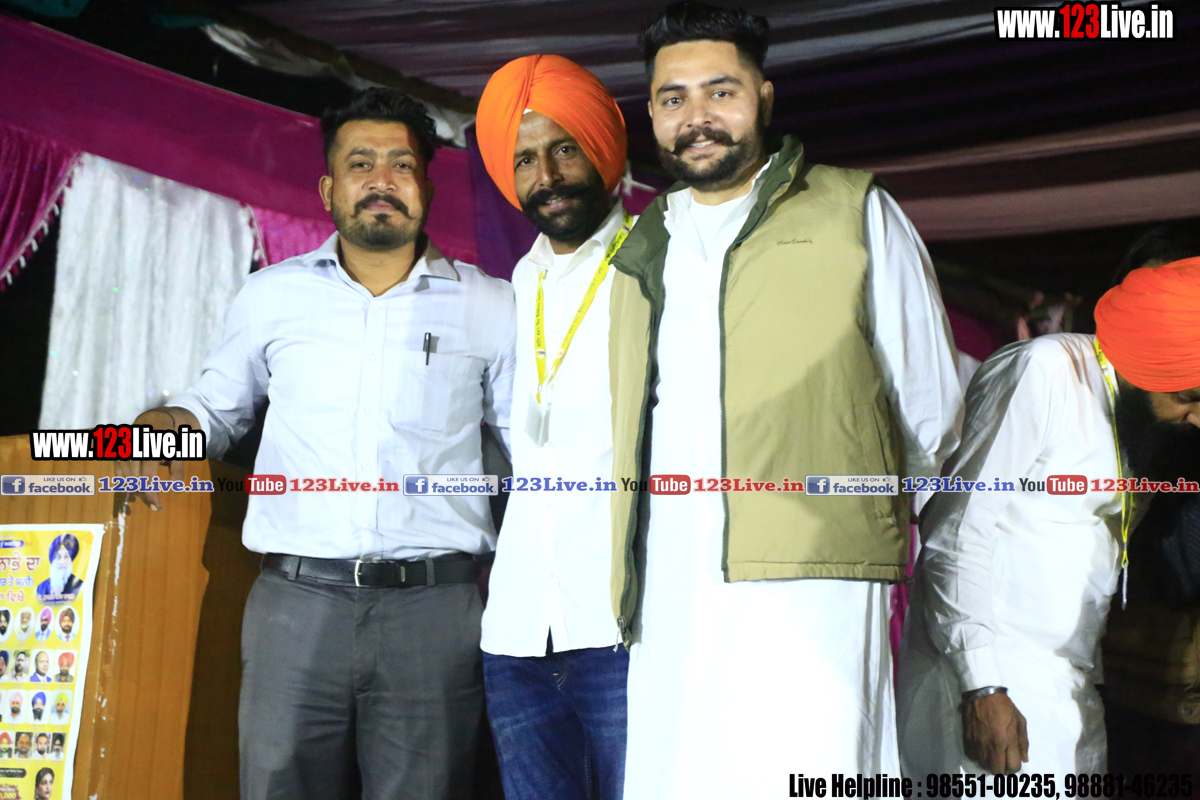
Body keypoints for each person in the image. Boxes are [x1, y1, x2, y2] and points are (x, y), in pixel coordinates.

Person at [115, 88, 516, 800]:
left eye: (401, 164)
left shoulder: (490, 304)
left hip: (435, 611)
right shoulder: (271, 296)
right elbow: (214, 409)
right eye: (361, 163)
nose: (382, 180)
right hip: (295, 607)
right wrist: (162, 428)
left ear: (427, 187)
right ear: (329, 189)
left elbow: (529, 448)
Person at [609, 4, 961, 795]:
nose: (697, 118)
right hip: (673, 577)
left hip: (816, 570)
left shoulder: (852, 211)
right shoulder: (646, 239)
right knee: (685, 775)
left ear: (763, 98)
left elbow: (931, 407)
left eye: (720, 91)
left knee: (814, 763)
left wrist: (858, 512)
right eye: (673, 99)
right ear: (653, 114)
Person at [897, 258, 1200, 777]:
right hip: (989, 672)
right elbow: (957, 526)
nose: (1196, 415)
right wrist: (982, 684)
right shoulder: (1046, 371)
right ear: (1142, 364)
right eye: (1188, 397)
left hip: (1072, 678)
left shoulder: (1149, 427)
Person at [475, 55, 632, 800]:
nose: (547, 176)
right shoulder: (518, 282)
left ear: (601, 148)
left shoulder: (659, 267)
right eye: (525, 159)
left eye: (564, 148)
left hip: (623, 626)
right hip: (515, 633)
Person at [36, 535, 84, 603]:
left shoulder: (80, 586)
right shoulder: (41, 588)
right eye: (58, 557)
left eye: (66, 557)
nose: (62, 562)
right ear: (52, 561)